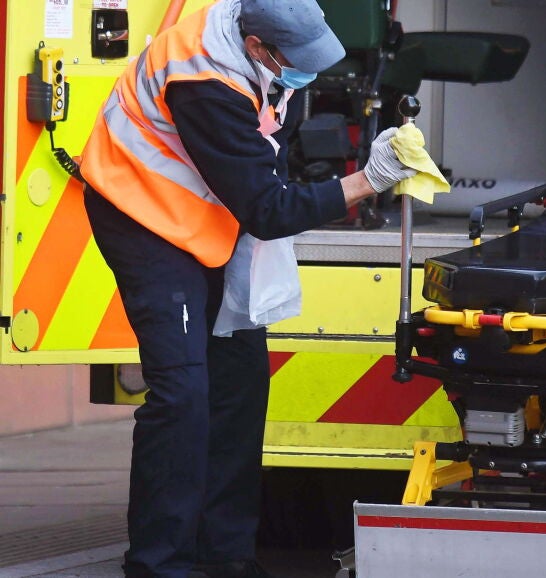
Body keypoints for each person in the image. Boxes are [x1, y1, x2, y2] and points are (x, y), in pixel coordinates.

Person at [77, 0, 414, 576]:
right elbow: (267, 208)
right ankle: (160, 564)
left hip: (206, 213)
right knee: (183, 395)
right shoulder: (204, 81)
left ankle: (226, 556)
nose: (304, 75)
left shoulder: (253, 33)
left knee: (240, 383)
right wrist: (365, 181)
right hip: (143, 215)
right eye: (295, 62)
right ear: (258, 47)